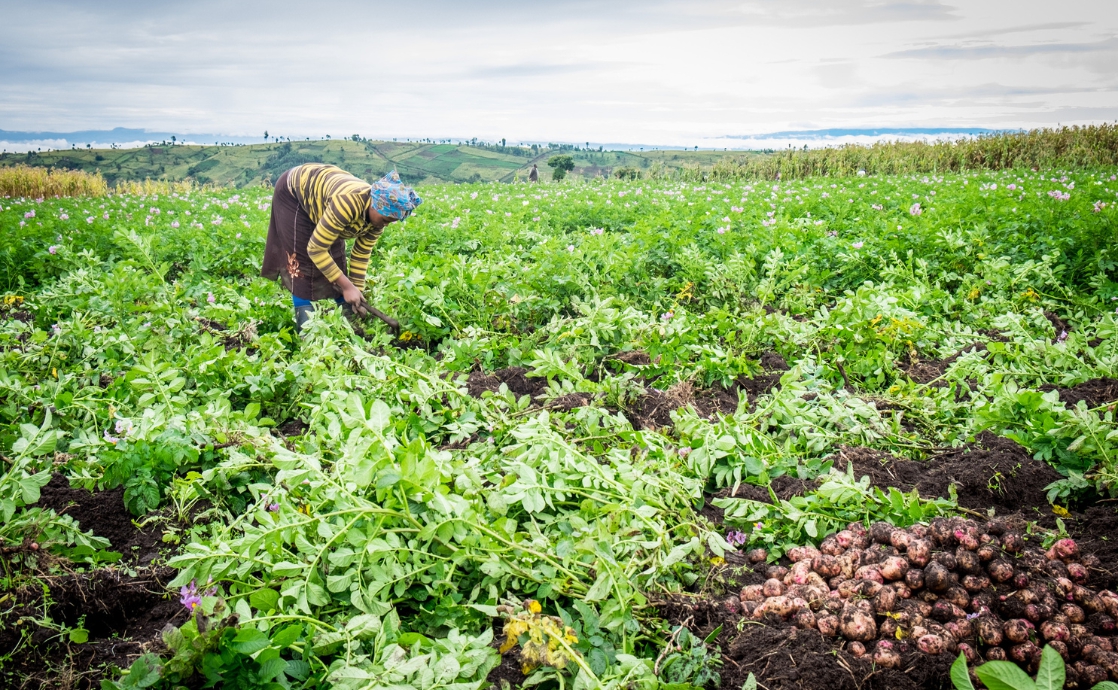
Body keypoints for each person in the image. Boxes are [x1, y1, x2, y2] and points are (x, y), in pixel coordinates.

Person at [261, 164, 421, 331]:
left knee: (336, 260)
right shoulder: (347, 203)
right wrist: (346, 286)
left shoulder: (378, 220)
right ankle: (306, 329)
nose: (386, 225)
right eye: (386, 219)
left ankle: (348, 320)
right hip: (294, 194)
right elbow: (315, 249)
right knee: (301, 262)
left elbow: (361, 253)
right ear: (375, 205)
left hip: (324, 197)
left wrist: (356, 291)